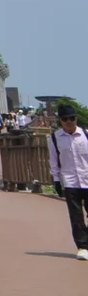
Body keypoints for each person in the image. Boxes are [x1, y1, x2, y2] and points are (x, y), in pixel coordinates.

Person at [48, 103, 88, 260]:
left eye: (71, 118)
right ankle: (83, 246)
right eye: (65, 119)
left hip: (87, 179)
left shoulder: (86, 135)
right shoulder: (54, 138)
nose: (69, 121)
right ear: (61, 121)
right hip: (70, 181)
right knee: (76, 216)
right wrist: (57, 181)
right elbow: (53, 161)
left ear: (76, 119)